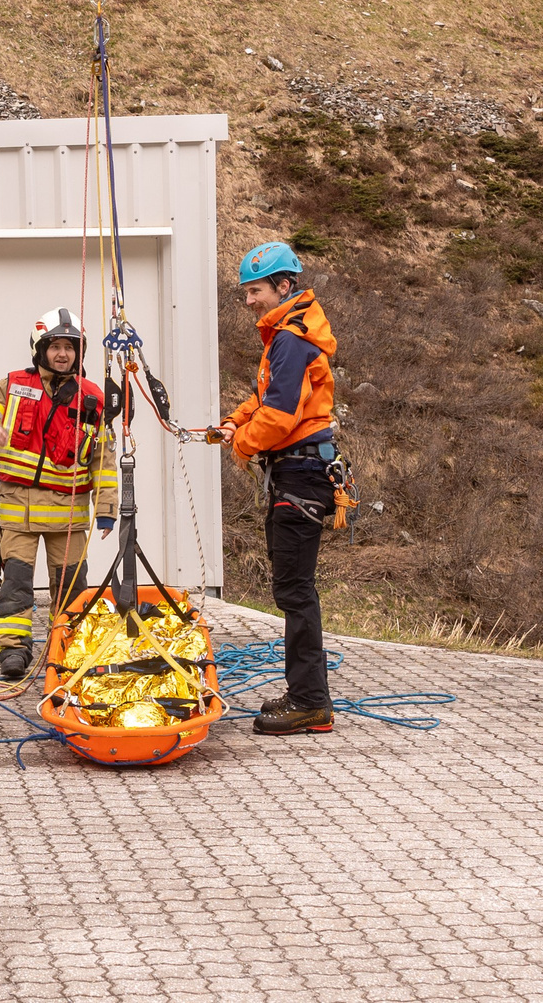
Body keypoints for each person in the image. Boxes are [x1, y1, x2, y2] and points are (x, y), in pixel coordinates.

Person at [213, 241, 342, 737]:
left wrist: (242, 443)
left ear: (284, 286)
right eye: (246, 292)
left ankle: (310, 701)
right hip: (299, 474)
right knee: (295, 589)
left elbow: (281, 414)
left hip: (300, 477)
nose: (249, 301)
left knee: (294, 591)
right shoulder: (289, 335)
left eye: (257, 291)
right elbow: (264, 398)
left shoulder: (291, 339)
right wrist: (233, 423)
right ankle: (307, 696)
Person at [0, 307, 121, 682]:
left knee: (71, 586)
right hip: (18, 510)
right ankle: (14, 650)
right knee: (16, 584)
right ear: (40, 349)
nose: (63, 354)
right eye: (55, 346)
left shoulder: (92, 399)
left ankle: (67, 645)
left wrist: (107, 509)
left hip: (67, 518)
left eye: (70, 347)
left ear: (79, 352)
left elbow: (102, 458)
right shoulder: (11, 385)